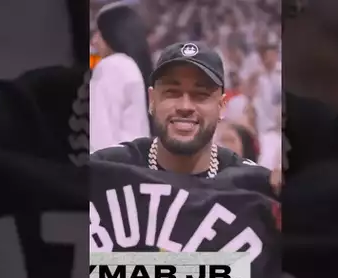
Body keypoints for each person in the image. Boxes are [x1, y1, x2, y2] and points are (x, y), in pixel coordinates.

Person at [91, 41, 276, 192]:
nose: (185, 106)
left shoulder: (252, 186)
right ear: (152, 100)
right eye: (172, 93)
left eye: (200, 95)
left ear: (221, 107)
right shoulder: (110, 171)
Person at [89, 2, 153, 152]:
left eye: (99, 32)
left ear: (113, 33)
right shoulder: (133, 67)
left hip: (112, 168)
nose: (94, 41)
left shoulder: (112, 66)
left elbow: (98, 135)